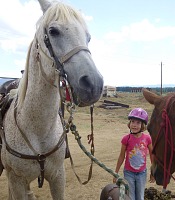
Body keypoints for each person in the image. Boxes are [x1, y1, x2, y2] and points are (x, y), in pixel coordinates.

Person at [113, 108, 155, 200]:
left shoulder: (147, 139)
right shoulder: (126, 139)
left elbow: (152, 155)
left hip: (142, 174)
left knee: (140, 197)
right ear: (129, 123)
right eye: (132, 121)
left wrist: (153, 172)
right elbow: (121, 156)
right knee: (130, 197)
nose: (134, 125)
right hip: (129, 173)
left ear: (143, 125)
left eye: (138, 123)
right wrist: (115, 172)